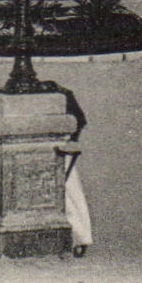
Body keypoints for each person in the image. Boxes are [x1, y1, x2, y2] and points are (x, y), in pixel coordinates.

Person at [56, 84, 92, 258]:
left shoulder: (63, 95)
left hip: (62, 150)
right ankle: (81, 237)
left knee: (69, 193)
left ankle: (80, 237)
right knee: (71, 193)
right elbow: (81, 120)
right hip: (64, 148)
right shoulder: (65, 94)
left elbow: (80, 120)